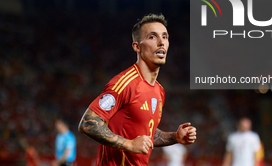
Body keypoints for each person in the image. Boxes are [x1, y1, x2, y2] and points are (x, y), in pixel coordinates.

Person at [78, 14, 196, 166]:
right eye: (152, 37)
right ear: (137, 46)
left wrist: (175, 137)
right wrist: (129, 144)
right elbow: (88, 122)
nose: (161, 42)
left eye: (165, 37)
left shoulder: (159, 91)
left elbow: (146, 133)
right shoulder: (124, 83)